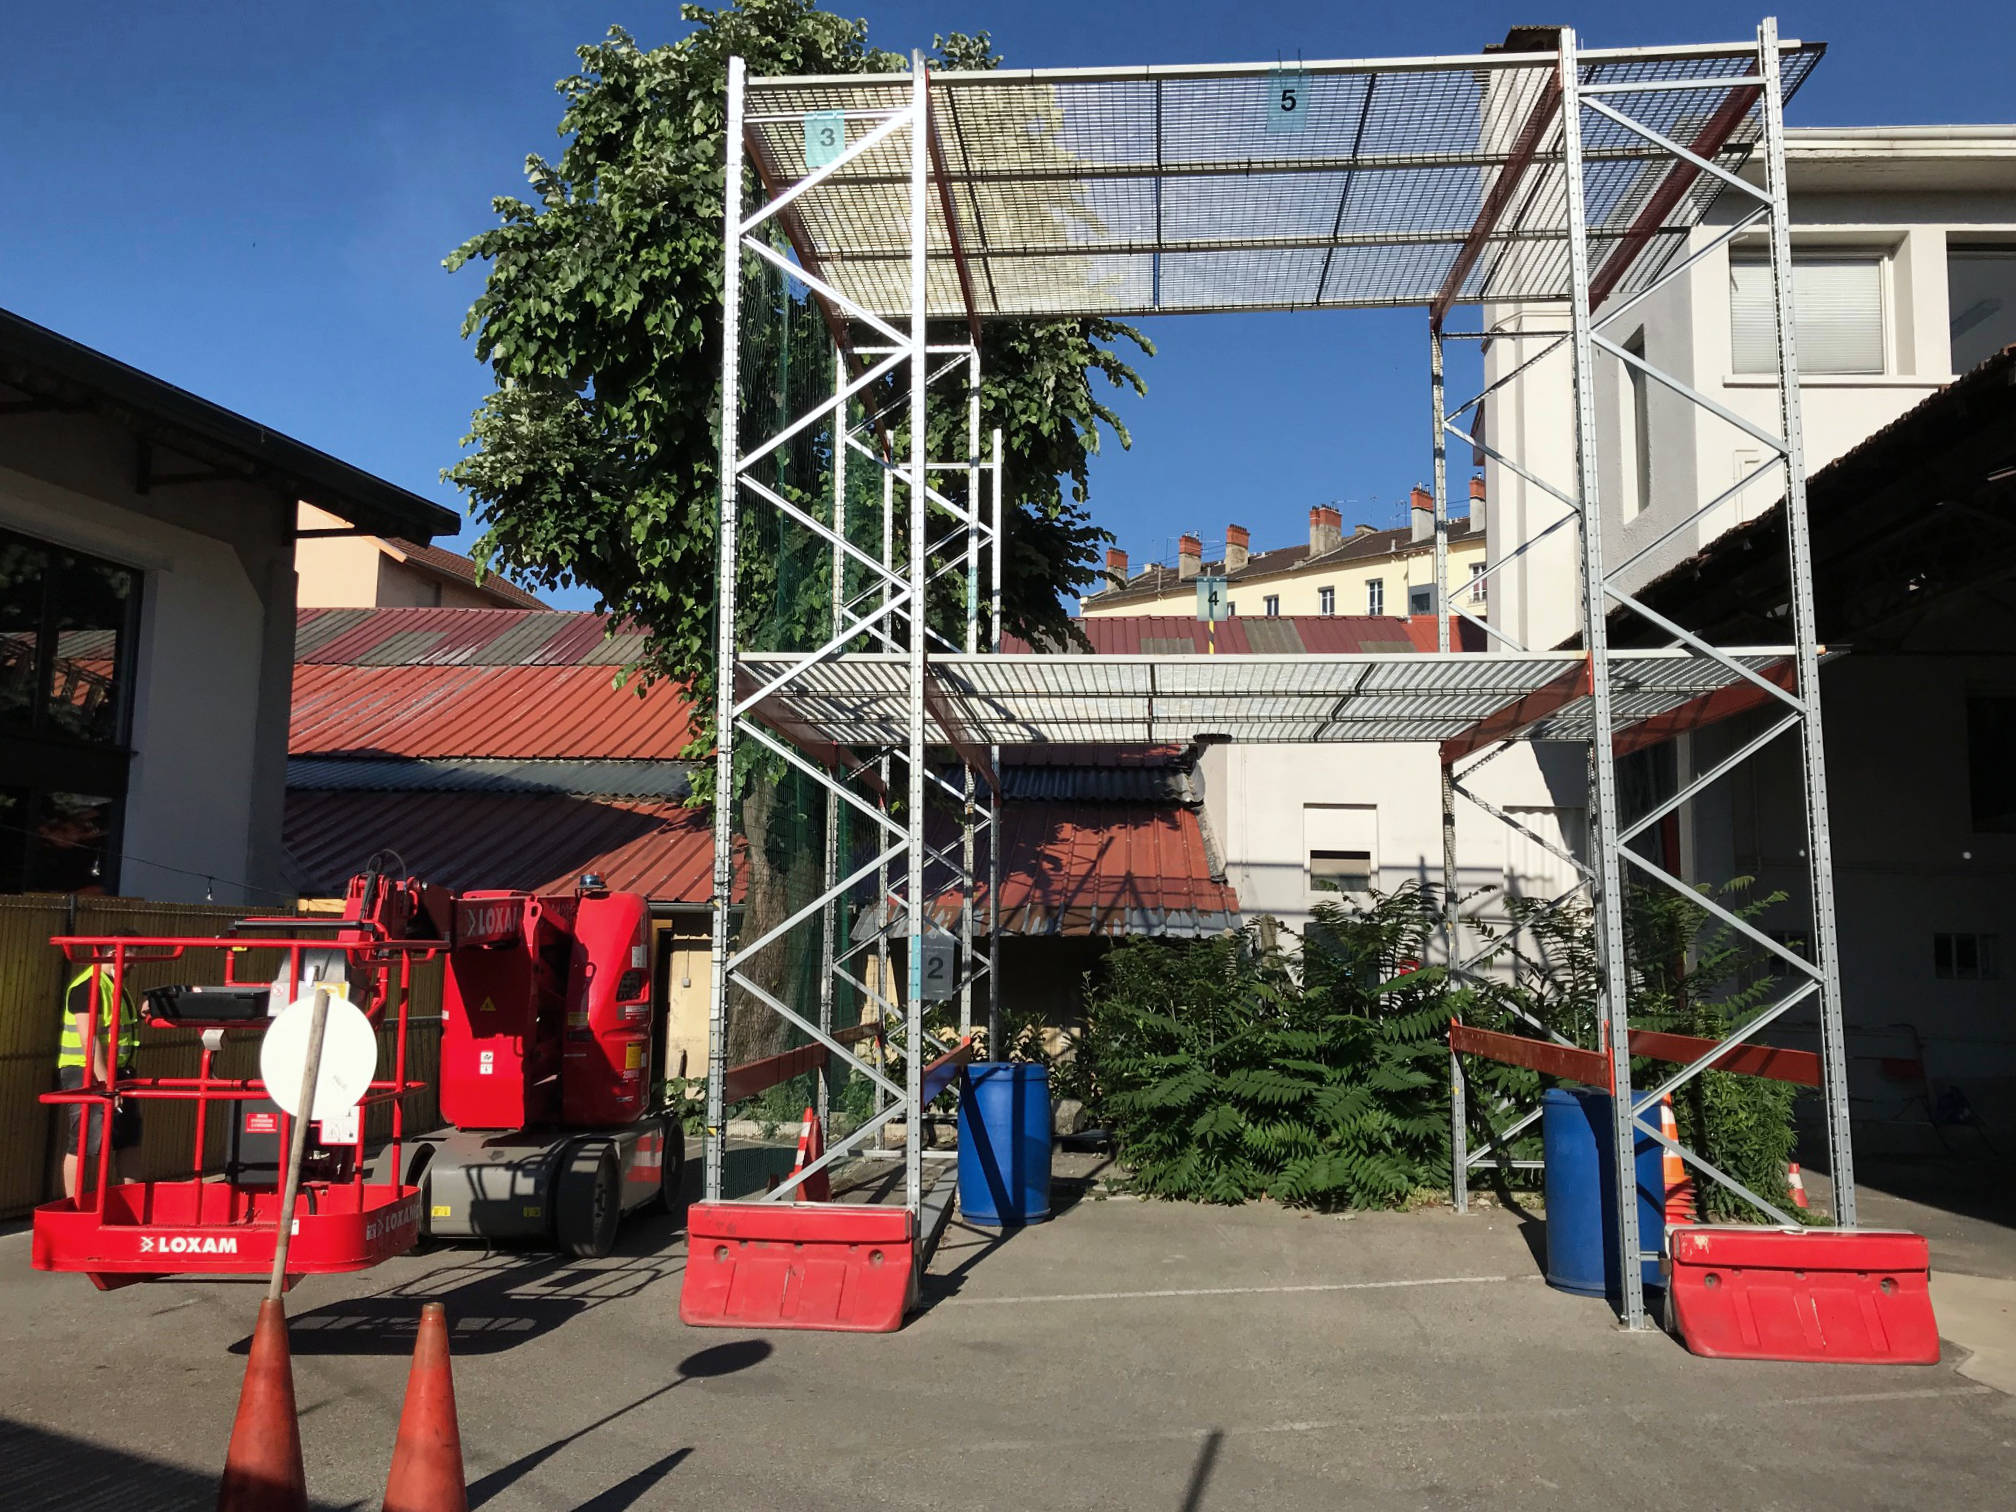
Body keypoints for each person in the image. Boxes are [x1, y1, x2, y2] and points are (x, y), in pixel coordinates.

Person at [57, 941, 142, 1200]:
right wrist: (106, 1081)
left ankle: (132, 1199)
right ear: (114, 954)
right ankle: (76, 1205)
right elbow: (89, 1039)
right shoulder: (89, 986)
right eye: (131, 957)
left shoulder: (115, 985)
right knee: (86, 1139)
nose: (134, 964)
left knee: (128, 1138)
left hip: (118, 1072)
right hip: (87, 1072)